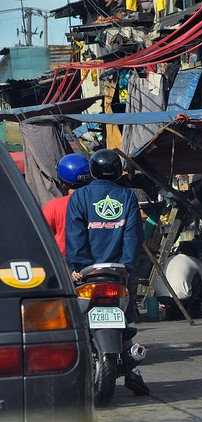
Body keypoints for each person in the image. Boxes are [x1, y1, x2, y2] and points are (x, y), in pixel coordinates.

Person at [65, 148, 146, 393]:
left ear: (92, 171)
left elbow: (75, 236)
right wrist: (128, 266)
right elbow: (133, 235)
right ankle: (133, 371)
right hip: (119, 273)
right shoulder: (128, 197)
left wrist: (78, 266)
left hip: (86, 274)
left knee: (74, 322)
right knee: (126, 324)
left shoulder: (79, 197)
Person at [42, 154, 91, 256]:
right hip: (96, 261)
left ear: (63, 183)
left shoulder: (53, 206)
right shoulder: (99, 203)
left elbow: (41, 236)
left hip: (63, 263)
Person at [156, 242, 202, 320]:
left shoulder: (168, 259)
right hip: (181, 298)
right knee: (198, 278)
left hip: (160, 297)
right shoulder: (197, 262)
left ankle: (171, 308)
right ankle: (188, 310)